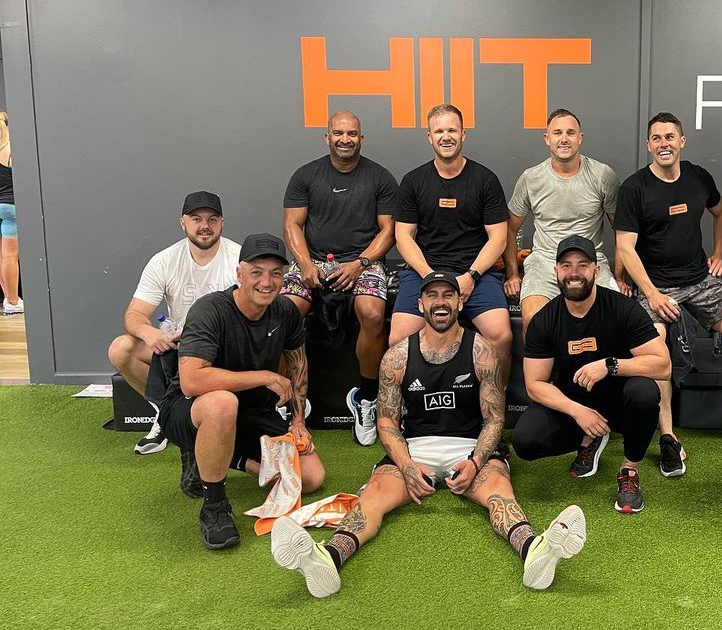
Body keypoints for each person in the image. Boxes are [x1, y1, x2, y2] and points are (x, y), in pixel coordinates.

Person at [270, 271, 585, 597]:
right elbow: (387, 421)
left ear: (459, 302)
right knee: (373, 495)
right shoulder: (396, 357)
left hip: (470, 447)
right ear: (420, 304)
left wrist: (475, 462)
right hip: (415, 448)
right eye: (432, 295)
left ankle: (535, 551)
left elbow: (494, 420)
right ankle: (326, 558)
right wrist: (406, 465)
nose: (440, 302)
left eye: (448, 295)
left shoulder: (482, 352)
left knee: (500, 493)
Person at [157, 233, 325, 550]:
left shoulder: (285, 312)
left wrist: (298, 422)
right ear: (239, 274)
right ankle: (214, 506)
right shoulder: (210, 310)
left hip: (251, 412)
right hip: (190, 410)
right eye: (256, 272)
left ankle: (221, 457)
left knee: (311, 477)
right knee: (222, 403)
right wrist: (263, 376)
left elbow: (298, 366)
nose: (267, 282)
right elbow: (192, 381)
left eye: (276, 273)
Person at [614, 112, 722, 479]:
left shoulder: (698, 177)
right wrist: (652, 294)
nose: (664, 144)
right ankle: (668, 438)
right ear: (648, 145)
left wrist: (719, 253)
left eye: (670, 137)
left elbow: (721, 213)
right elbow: (625, 248)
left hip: (701, 281)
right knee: (656, 353)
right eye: (656, 138)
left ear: (682, 141)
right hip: (654, 286)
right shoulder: (634, 188)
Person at [513, 235, 670, 514]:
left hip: (620, 402)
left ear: (596, 270)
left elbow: (663, 365)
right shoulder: (545, 320)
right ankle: (590, 437)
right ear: (556, 271)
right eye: (566, 265)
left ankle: (629, 470)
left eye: (582, 265)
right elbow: (534, 384)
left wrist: (609, 365)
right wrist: (578, 412)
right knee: (525, 441)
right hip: (574, 403)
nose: (574, 273)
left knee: (644, 392)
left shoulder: (622, 308)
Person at [282, 110, 398, 447]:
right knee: (283, 312)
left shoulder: (380, 178)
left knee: (372, 313)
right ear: (327, 137)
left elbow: (388, 230)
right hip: (313, 260)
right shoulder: (306, 175)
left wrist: (360, 263)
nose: (345, 139)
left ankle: (366, 397)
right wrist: (305, 263)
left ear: (361, 138)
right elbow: (292, 225)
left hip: (363, 260)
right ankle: (289, 398)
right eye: (338, 133)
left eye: (351, 134)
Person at [107, 191, 241, 455]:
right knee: (121, 349)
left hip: (225, 349)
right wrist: (150, 334)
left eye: (212, 219)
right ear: (183, 223)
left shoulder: (238, 258)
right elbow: (134, 314)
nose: (205, 226)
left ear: (222, 223)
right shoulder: (164, 260)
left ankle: (252, 416)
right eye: (196, 219)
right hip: (180, 347)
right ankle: (165, 412)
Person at [391, 104, 512, 378]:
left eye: (452, 130)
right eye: (439, 131)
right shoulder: (413, 181)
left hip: (476, 273)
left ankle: (496, 396)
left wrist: (471, 276)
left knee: (501, 335)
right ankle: (408, 400)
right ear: (429, 137)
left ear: (463, 134)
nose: (446, 137)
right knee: (398, 339)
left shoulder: (485, 180)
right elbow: (403, 236)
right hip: (424, 272)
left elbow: (498, 238)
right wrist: (429, 277)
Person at [503, 108, 627, 334]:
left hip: (590, 262)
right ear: (547, 138)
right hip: (545, 261)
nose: (564, 139)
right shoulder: (531, 178)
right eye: (557, 133)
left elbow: (622, 230)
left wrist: (620, 277)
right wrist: (512, 274)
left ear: (580, 138)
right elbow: (509, 229)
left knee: (613, 316)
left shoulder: (603, 175)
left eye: (571, 133)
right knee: (533, 318)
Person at [0, 110, 21, 316]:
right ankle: (13, 302)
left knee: (1, 257)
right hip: (10, 207)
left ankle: (8, 298)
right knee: (10, 256)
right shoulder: (10, 150)